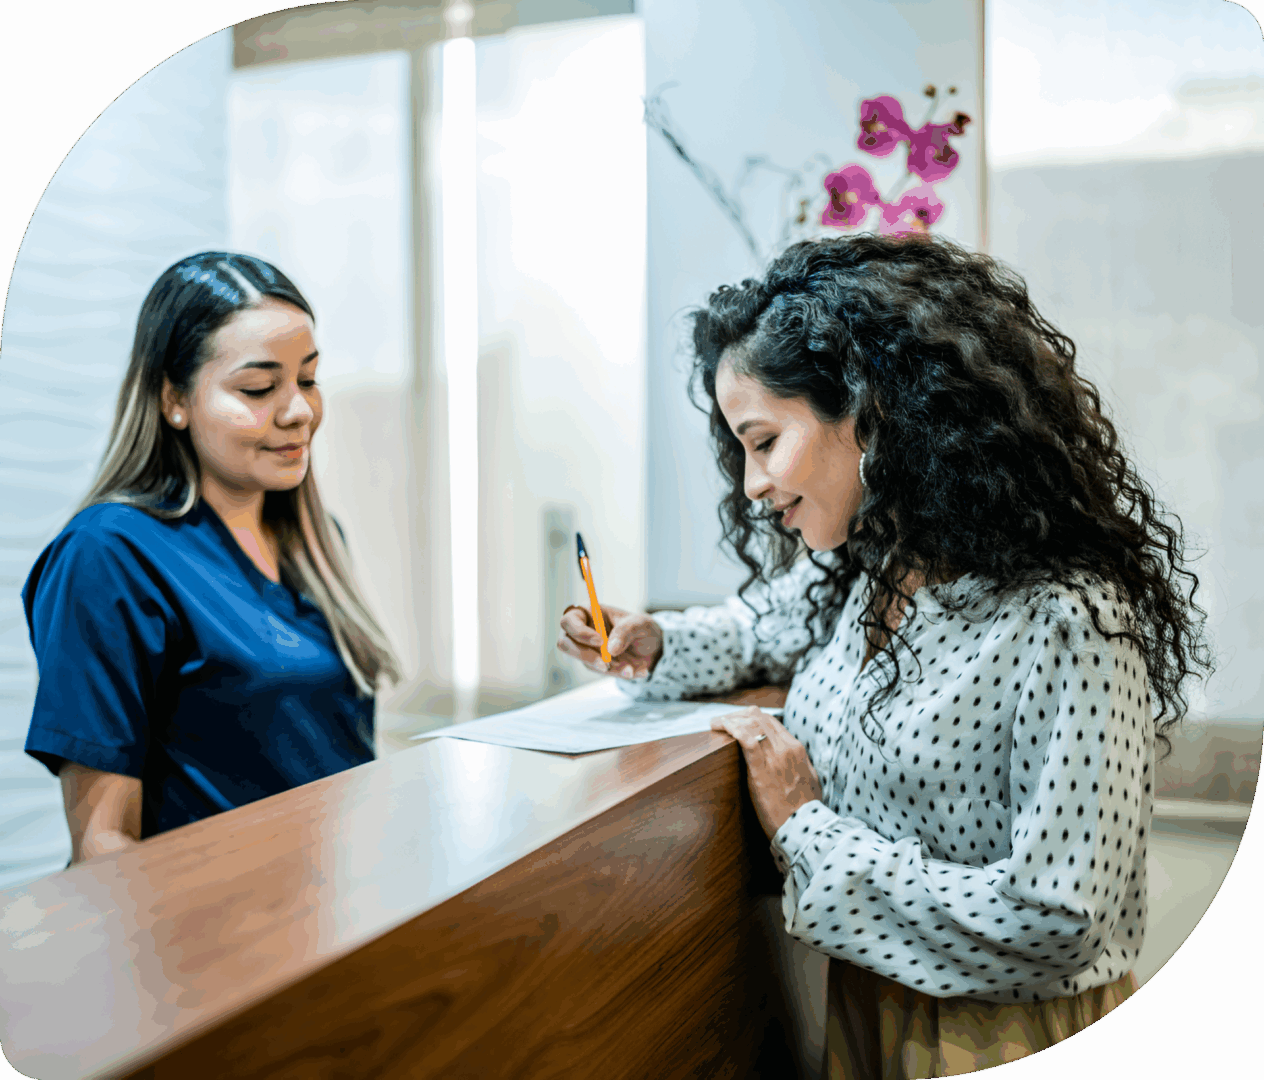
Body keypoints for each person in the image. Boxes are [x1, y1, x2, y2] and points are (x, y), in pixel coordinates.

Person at [558, 235, 1213, 1076]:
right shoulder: (872, 566)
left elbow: (1061, 920)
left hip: (998, 1039)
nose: (752, 485)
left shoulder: (1067, 618)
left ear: (869, 414)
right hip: (870, 1014)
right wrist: (651, 642)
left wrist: (807, 829)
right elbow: (759, 629)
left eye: (764, 442)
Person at [23, 252, 401, 863]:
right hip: (214, 940)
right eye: (258, 387)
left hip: (340, 911)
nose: (298, 411)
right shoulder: (109, 555)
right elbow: (104, 845)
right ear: (174, 398)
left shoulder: (317, 540)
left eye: (307, 379)